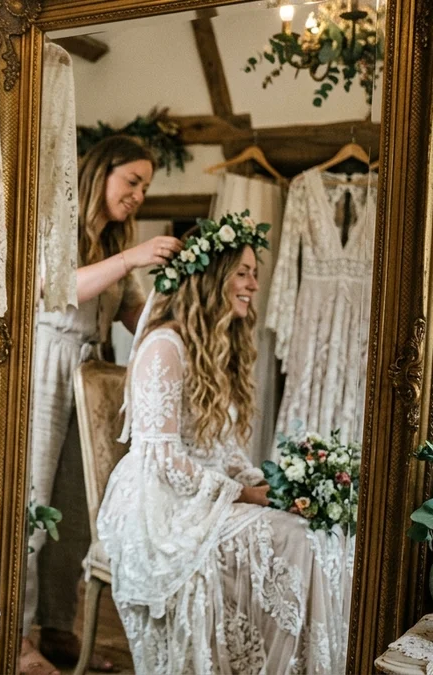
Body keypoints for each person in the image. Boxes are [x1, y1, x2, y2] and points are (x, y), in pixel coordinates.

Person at [98, 215, 353, 673]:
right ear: (212, 277)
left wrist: (265, 483)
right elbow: (163, 458)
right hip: (162, 504)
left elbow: (224, 449)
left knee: (317, 531)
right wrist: (243, 494)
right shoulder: (164, 346)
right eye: (243, 272)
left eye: (254, 273)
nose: (254, 284)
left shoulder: (219, 345)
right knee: (298, 542)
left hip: (205, 491)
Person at [24, 135, 182, 674]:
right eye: (132, 181)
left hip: (92, 377)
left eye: (146, 186)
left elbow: (136, 315)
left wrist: (182, 307)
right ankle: (15, 637)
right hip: (45, 368)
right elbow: (53, 287)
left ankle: (56, 623)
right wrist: (133, 256)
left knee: (73, 510)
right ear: (101, 173)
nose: (139, 194)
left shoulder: (116, 242)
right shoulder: (58, 223)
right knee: (32, 503)